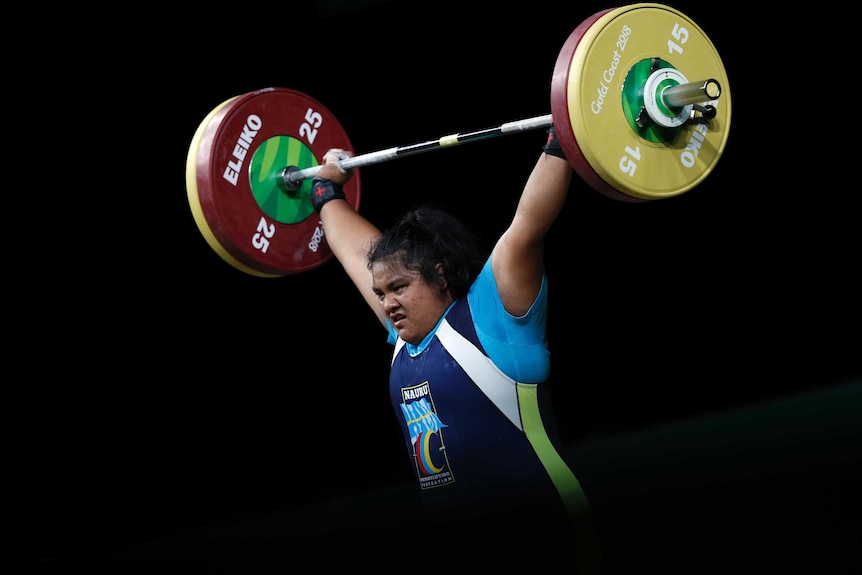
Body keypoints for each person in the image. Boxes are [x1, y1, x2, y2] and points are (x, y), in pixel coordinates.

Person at [311, 127, 601, 572]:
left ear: (440, 276)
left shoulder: (490, 321)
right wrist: (326, 191)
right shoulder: (402, 340)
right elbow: (353, 252)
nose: (387, 302)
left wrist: (563, 137)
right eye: (381, 291)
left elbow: (525, 229)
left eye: (400, 287)